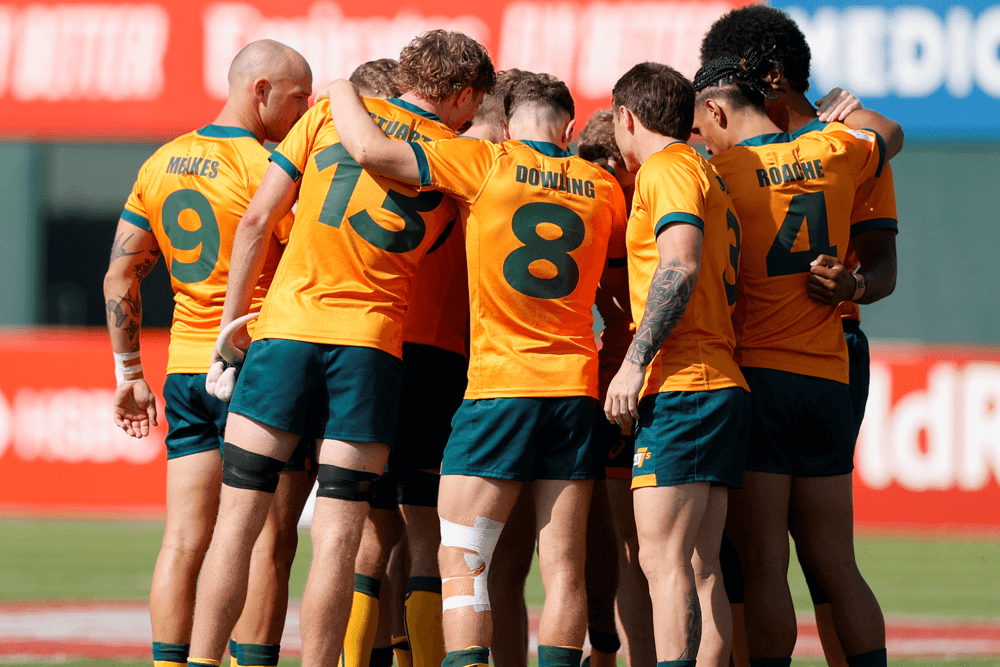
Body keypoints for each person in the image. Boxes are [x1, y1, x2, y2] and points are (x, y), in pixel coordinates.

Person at [183, 29, 494, 667]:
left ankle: (200, 663)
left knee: (235, 526)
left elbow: (255, 221)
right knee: (338, 541)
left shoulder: (329, 110)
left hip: (285, 332)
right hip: (371, 349)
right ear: (462, 97)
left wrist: (229, 326)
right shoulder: (467, 159)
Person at [326, 72, 628, 667]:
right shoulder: (604, 188)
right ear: (568, 128)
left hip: (498, 390)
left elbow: (372, 150)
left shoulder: (485, 161)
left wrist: (340, 87)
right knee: (564, 567)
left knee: (462, 556)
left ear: (509, 123)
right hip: (575, 391)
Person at [102, 39, 313, 667]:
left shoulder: (162, 161)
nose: (304, 111)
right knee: (266, 540)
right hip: (256, 369)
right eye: (298, 98)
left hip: (187, 370)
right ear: (261, 91)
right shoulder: (269, 169)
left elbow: (120, 277)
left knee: (185, 538)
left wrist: (129, 373)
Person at [699, 8, 900, 667]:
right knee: (836, 561)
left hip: (758, 375)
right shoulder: (840, 149)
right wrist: (859, 115)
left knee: (762, 566)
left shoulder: (718, 175)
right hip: (827, 372)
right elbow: (890, 136)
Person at [604, 62, 750, 667]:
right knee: (700, 565)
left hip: (684, 382)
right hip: (718, 379)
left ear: (625, 117)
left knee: (663, 564)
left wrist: (634, 360)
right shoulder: (703, 172)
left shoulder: (664, 169)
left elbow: (679, 266)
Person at [577, 108, 656, 667]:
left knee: (631, 544)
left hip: (625, 375)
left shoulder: (618, 203)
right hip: (690, 375)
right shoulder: (674, 186)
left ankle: (614, 650)